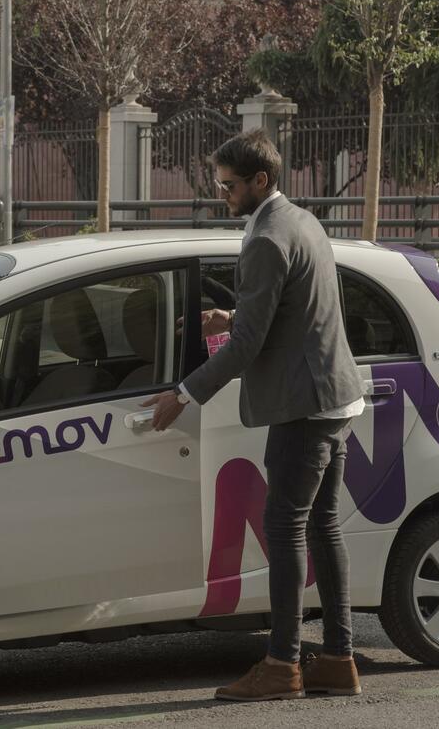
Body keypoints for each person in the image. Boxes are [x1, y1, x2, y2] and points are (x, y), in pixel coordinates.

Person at [141, 128, 366, 702]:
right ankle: (337, 659)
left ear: (260, 180)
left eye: (229, 185)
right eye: (220, 184)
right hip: (334, 396)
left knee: (285, 529)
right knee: (322, 526)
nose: (223, 194)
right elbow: (292, 307)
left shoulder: (265, 237)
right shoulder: (302, 221)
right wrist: (234, 315)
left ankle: (282, 665)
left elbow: (246, 349)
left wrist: (183, 395)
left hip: (302, 405)